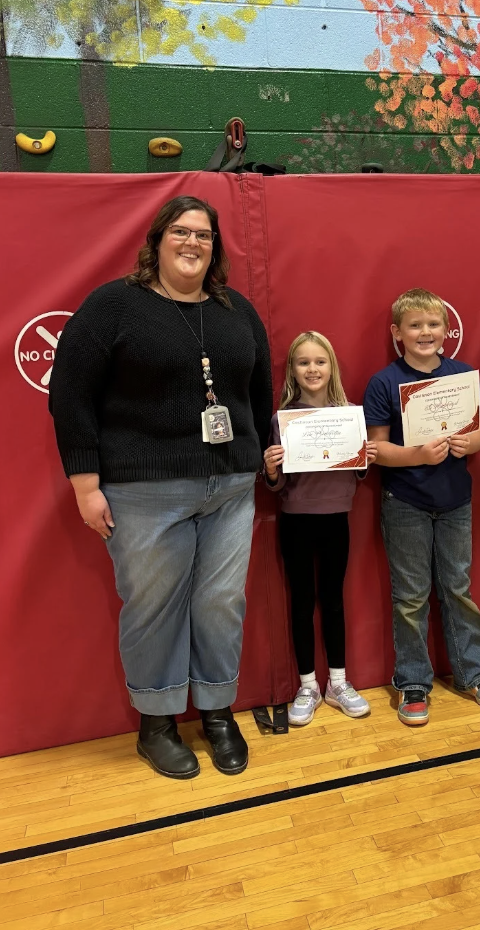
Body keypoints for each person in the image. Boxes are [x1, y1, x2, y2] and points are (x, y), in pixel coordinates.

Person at [49, 195, 272, 778]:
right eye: (181, 231)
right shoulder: (112, 307)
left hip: (229, 486)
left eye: (204, 234)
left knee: (222, 602)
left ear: (216, 246)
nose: (193, 243)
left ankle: (218, 712)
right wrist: (84, 484)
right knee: (153, 607)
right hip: (143, 490)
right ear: (156, 240)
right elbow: (70, 394)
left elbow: (259, 390)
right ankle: (157, 724)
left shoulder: (235, 310)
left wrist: (265, 453)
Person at [363, 288, 480, 726]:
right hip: (404, 501)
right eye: (415, 325)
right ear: (397, 333)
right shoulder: (384, 382)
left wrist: (473, 440)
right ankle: (412, 681)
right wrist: (417, 456)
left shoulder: (463, 376)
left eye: (433, 324)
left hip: (455, 501)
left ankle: (474, 674)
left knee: (458, 589)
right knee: (410, 598)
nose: (425, 332)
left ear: (447, 330)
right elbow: (375, 448)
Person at [264, 332, 376, 726]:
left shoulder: (350, 415)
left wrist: (366, 457)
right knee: (301, 601)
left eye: (320, 361)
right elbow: (276, 486)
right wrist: (272, 468)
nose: (313, 369)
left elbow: (357, 475)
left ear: (332, 367)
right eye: (303, 362)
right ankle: (308, 684)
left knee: (332, 600)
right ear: (293, 370)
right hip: (295, 520)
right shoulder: (282, 419)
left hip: (336, 519)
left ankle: (338, 683)